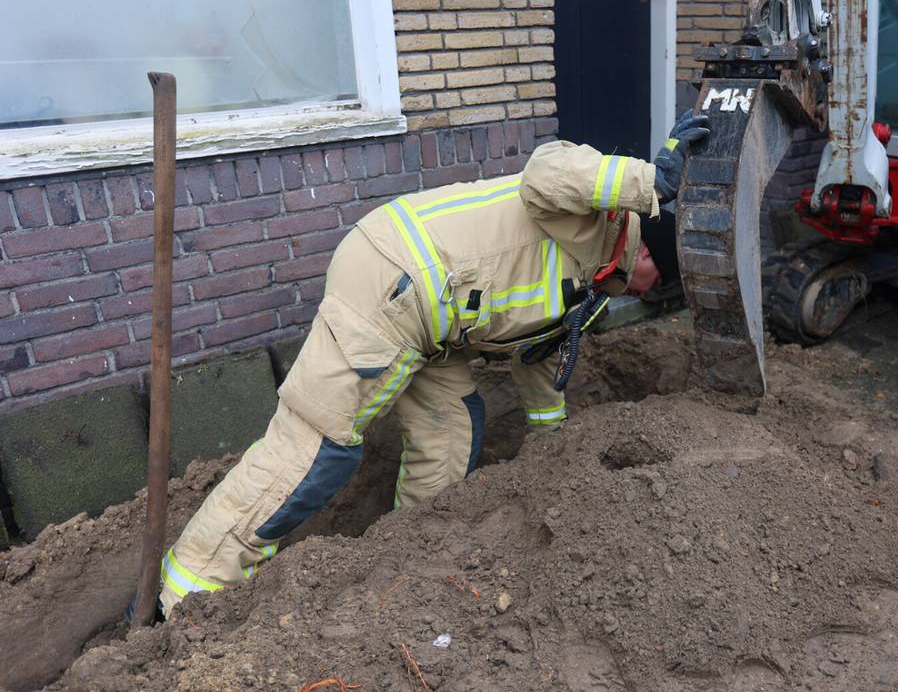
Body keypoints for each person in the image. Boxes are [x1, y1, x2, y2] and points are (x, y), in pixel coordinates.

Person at [153, 115, 710, 616]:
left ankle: (405, 555)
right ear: (644, 252)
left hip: (434, 329)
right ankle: (189, 593)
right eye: (659, 279)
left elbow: (537, 356)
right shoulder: (600, 218)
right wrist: (648, 180)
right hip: (391, 281)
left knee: (451, 429)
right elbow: (545, 169)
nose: (654, 292)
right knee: (318, 448)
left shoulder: (596, 283)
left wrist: (552, 440)